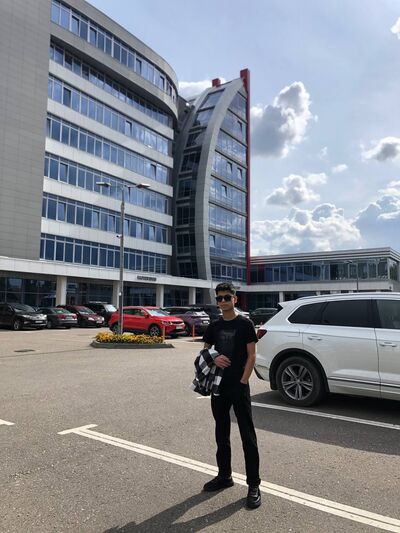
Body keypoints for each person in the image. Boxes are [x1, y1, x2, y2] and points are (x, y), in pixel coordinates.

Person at [202, 282, 261, 509]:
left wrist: (243, 381)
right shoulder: (214, 325)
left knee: (247, 435)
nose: (223, 301)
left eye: (227, 297)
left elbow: (252, 355)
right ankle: (224, 476)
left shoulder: (245, 324)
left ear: (235, 299)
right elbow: (205, 350)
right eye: (220, 298)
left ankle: (254, 485)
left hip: (239, 385)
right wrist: (214, 357)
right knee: (221, 432)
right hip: (219, 386)